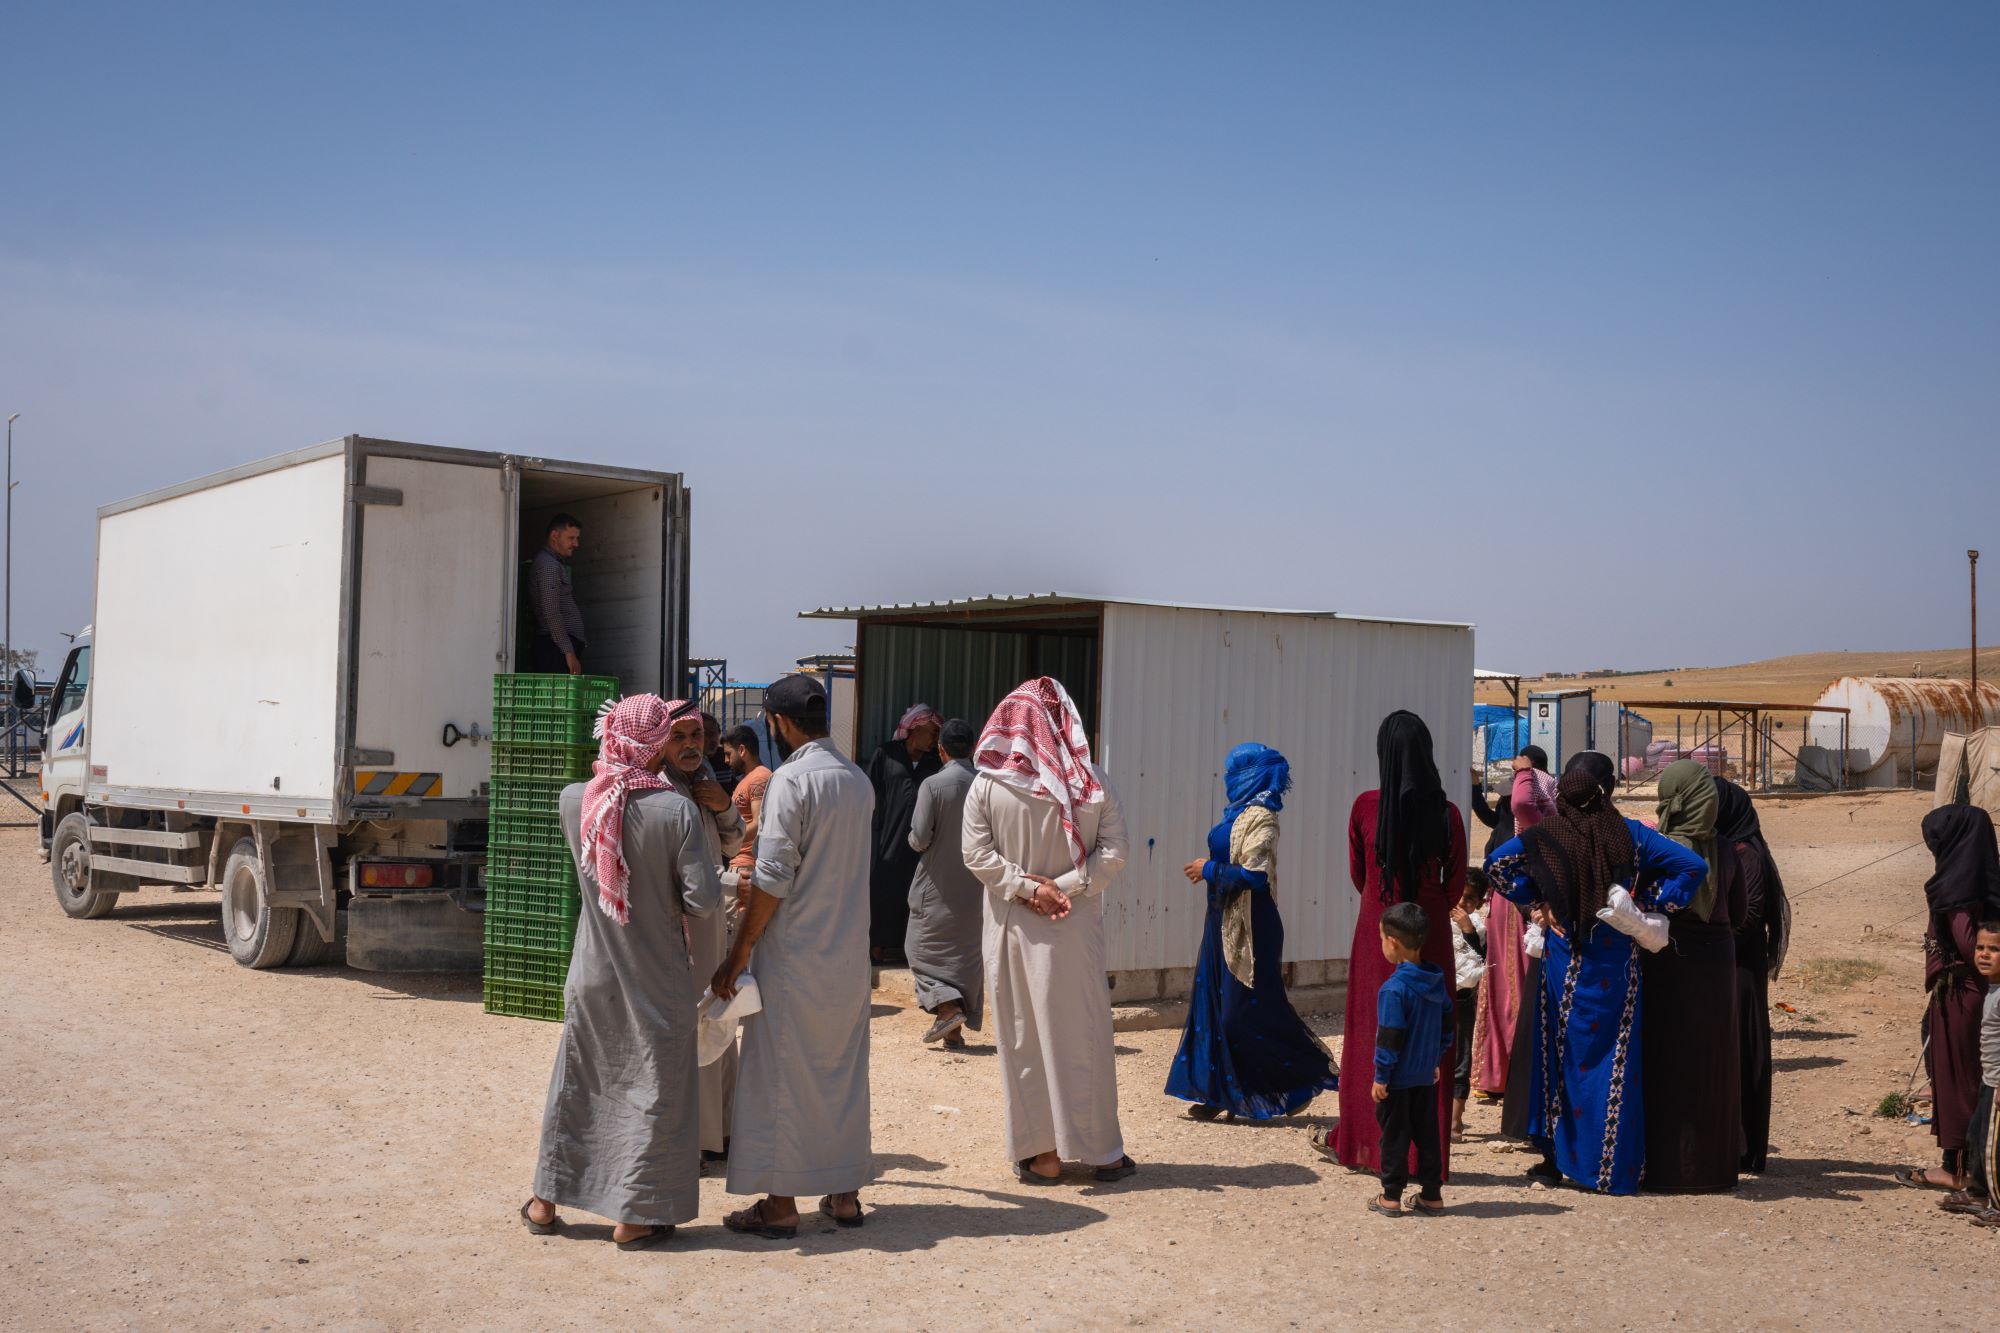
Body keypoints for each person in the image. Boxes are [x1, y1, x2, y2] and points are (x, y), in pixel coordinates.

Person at [521, 695, 722, 1250]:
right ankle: (633, 1217)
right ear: (654, 743)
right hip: (656, 978)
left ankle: (544, 1200)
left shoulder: (574, 799)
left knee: (578, 1082)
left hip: (592, 971)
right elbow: (702, 901)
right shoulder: (675, 810)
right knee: (654, 1091)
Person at [1483, 752, 1707, 1195]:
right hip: (1615, 963)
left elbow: (1496, 867)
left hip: (1562, 961)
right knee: (1614, 1060)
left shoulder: (1545, 835)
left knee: (1557, 1058)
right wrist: (1650, 903)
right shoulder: (1631, 836)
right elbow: (1693, 867)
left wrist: (1540, 900)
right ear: (1606, 790)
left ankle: (1553, 1163)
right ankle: (1609, 1170)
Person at [710, 673, 876, 1237]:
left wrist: (738, 953)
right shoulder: (856, 780)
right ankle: (845, 1194)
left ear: (778, 724)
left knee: (780, 1075)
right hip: (849, 956)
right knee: (840, 1072)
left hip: (796, 957)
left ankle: (779, 1205)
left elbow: (773, 877)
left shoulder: (791, 781)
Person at [962, 676, 1136, 1185]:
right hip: (1074, 927)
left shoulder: (987, 784)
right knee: (1083, 1035)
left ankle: (1044, 1157)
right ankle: (1103, 1153)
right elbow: (1115, 851)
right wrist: (1064, 887)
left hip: (1014, 926)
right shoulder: (1092, 781)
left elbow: (976, 856)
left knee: (1023, 1039)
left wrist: (1027, 889)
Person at [1321, 711, 1465, 1176]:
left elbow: (1358, 873)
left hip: (1378, 926)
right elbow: (1455, 883)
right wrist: (1428, 911)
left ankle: (1366, 1142)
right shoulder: (1447, 813)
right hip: (1430, 928)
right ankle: (1426, 1156)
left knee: (1372, 1027)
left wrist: (1385, 908)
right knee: (1431, 1030)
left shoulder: (1366, 806)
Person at [1165, 742, 1338, 1121]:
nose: (1228, 778)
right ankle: (1219, 1093)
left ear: (1251, 774)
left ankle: (1299, 1079)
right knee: (1213, 1004)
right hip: (1220, 920)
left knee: (1243, 1013)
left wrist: (1207, 869)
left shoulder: (1263, 816)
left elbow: (1255, 876)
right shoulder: (1238, 813)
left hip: (1251, 925)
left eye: (1235, 770)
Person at [1644, 760, 1744, 1194]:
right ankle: (1713, 1169)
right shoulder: (1727, 849)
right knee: (1711, 1064)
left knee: (1667, 1061)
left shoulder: (1657, 849)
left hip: (1668, 964)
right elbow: (1738, 913)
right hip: (1717, 963)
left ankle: (1667, 1168)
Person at [659, 701, 746, 1165]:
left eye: (697, 737)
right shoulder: (655, 790)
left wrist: (725, 806)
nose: (692, 746)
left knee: (718, 1020)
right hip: (680, 927)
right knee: (690, 1027)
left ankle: (722, 1131)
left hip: (711, 920)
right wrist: (729, 883)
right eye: (681, 737)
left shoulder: (703, 780)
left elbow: (731, 844)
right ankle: (692, 1136)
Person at [1900, 804, 2000, 1191]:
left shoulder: (1957, 887)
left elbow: (1969, 944)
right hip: (1976, 993)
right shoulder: (1985, 876)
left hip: (1962, 995)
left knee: (1960, 1081)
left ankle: (1957, 1169)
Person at [1716, 777, 1791, 1174]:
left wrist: (1709, 935)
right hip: (1731, 964)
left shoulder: (1746, 854)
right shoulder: (1731, 848)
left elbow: (1749, 916)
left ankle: (1744, 1146)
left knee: (1743, 1052)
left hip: (1741, 968)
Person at [1467, 745, 1550, 1101]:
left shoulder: (1539, 809)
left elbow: (1523, 806)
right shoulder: (1513, 806)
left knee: (1515, 985)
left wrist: (1523, 775)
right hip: (1505, 897)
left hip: (1520, 901)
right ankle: (1499, 1073)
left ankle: (1510, 1073)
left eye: (1523, 770)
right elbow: (1493, 817)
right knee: (1505, 981)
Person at [1368, 901, 1452, 1217]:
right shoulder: (1436, 981)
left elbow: (1389, 1038)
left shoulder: (1394, 989)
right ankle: (1431, 1195)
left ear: (1393, 942)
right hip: (1424, 1077)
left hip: (1397, 1081)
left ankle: (1390, 1197)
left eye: (1380, 938)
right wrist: (1434, 1060)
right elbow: (1446, 1028)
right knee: (1428, 1135)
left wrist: (1381, 1076)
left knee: (1395, 1137)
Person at [904, 718, 984, 1048]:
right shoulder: (986, 785)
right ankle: (953, 1031)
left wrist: (911, 838)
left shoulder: (933, 786)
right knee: (964, 957)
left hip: (937, 886)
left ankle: (948, 1008)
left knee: (919, 950)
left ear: (941, 750)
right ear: (974, 748)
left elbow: (920, 837)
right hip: (978, 887)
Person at [866, 704, 944, 963]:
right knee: (883, 890)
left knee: (917, 893)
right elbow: (869, 793)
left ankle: (908, 950)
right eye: (932, 733)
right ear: (915, 729)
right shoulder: (886, 755)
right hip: (888, 837)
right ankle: (877, 947)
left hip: (923, 843)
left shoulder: (935, 762)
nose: (935, 740)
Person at [1942, 922, 2000, 1226]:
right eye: (1980, 948)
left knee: (1993, 1147)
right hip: (1988, 1079)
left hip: (1998, 1082)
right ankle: (1978, 1192)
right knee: (1976, 1137)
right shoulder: (1992, 987)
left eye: (1994, 949)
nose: (1985, 955)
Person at [1449, 870, 1489, 1140]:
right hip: (1437, 998)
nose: (1463, 905)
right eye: (1460, 897)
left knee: (1461, 1059)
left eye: (1470, 900)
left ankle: (1455, 1121)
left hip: (1463, 999)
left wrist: (1467, 929)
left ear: (1480, 903)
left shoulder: (1478, 926)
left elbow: (1482, 958)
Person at [527, 513, 587, 675]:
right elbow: (551, 612)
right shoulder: (548, 566)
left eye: (577, 538)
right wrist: (568, 652)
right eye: (571, 538)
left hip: (558, 649)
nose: (576, 544)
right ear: (555, 536)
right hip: (555, 651)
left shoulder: (553, 564)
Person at [721, 724, 772, 903]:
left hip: (746, 866)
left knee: (734, 929)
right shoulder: (750, 778)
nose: (726, 761)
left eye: (728, 754)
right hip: (740, 865)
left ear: (742, 750)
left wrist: (728, 840)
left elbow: (759, 823)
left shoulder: (760, 777)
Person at [703, 712, 741, 800]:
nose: (713, 739)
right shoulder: (693, 762)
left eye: (716, 733)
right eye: (707, 734)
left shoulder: (726, 755)